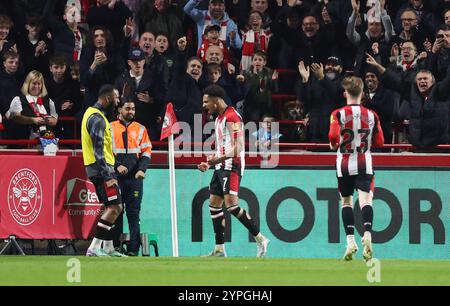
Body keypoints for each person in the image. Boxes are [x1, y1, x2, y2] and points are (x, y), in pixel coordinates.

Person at [198, 84, 270, 258]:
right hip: (220, 165)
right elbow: (223, 146)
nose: (204, 105)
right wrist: (211, 162)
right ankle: (219, 248)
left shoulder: (232, 117)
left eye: (206, 101)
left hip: (232, 165)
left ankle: (260, 238)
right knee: (214, 204)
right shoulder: (218, 119)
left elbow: (238, 148)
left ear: (216, 101)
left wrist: (218, 160)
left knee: (231, 205)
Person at [328, 76, 384, 262]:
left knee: (346, 201)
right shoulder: (372, 115)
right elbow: (380, 142)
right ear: (362, 93)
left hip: (343, 163)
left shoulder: (337, 114)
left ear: (345, 93)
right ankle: (367, 234)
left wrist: (334, 143)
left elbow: (333, 136)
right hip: (364, 162)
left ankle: (350, 241)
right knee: (365, 200)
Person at [81, 84, 126, 257]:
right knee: (115, 207)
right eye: (116, 98)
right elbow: (98, 151)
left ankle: (108, 247)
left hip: (102, 169)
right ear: (107, 98)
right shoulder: (97, 119)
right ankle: (93, 247)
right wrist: (108, 176)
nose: (118, 101)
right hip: (102, 171)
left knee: (113, 206)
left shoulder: (91, 114)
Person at [111, 99, 152, 256]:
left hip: (134, 178)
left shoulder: (141, 129)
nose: (131, 112)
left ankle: (134, 249)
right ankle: (115, 247)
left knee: (133, 213)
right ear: (120, 109)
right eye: (127, 108)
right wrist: (116, 166)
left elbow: (147, 151)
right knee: (116, 212)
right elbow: (105, 151)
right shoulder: (110, 127)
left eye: (133, 109)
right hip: (115, 177)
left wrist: (142, 170)